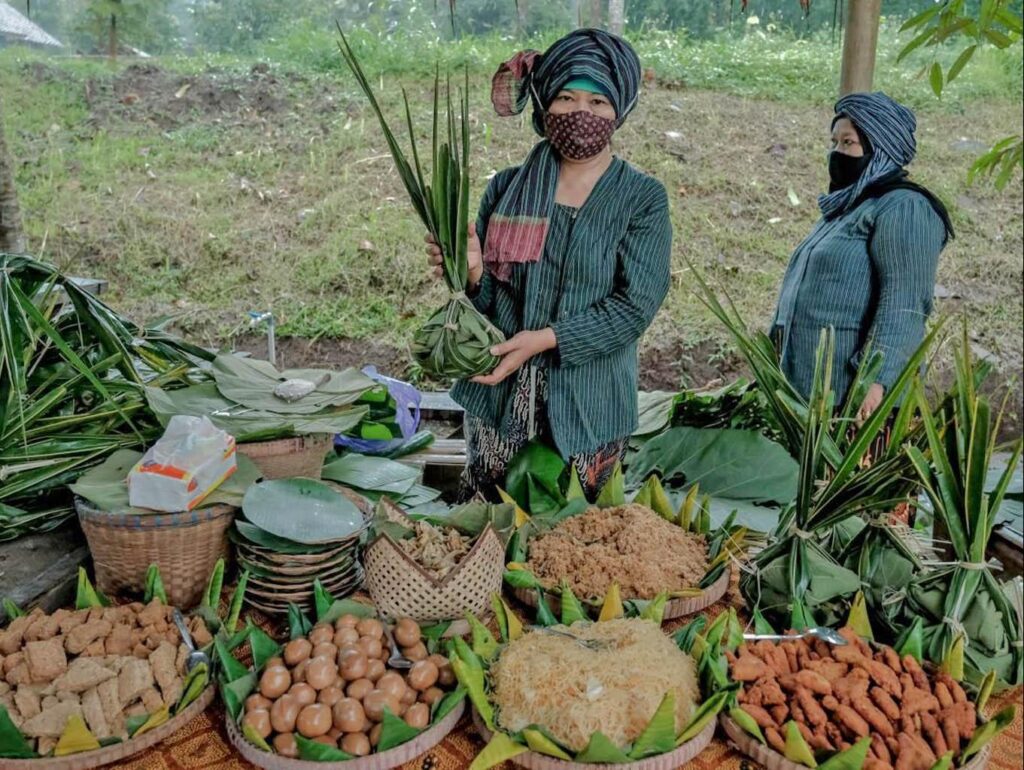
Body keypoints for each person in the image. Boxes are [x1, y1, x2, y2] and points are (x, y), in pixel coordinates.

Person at [425, 29, 672, 501]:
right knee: (491, 526)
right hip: (498, 399)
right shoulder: (507, 189)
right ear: (544, 105)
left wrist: (547, 339)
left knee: (572, 540)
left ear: (618, 109)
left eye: (599, 102)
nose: (583, 113)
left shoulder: (642, 200)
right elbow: (486, 303)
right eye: (567, 97)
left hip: (588, 407)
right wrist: (472, 271)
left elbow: (635, 307)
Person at [771, 91, 954, 419]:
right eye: (834, 142)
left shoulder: (904, 207)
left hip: (855, 401)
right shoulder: (844, 209)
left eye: (848, 143)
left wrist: (876, 381)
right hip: (809, 396)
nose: (837, 152)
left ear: (878, 149)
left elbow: (905, 302)